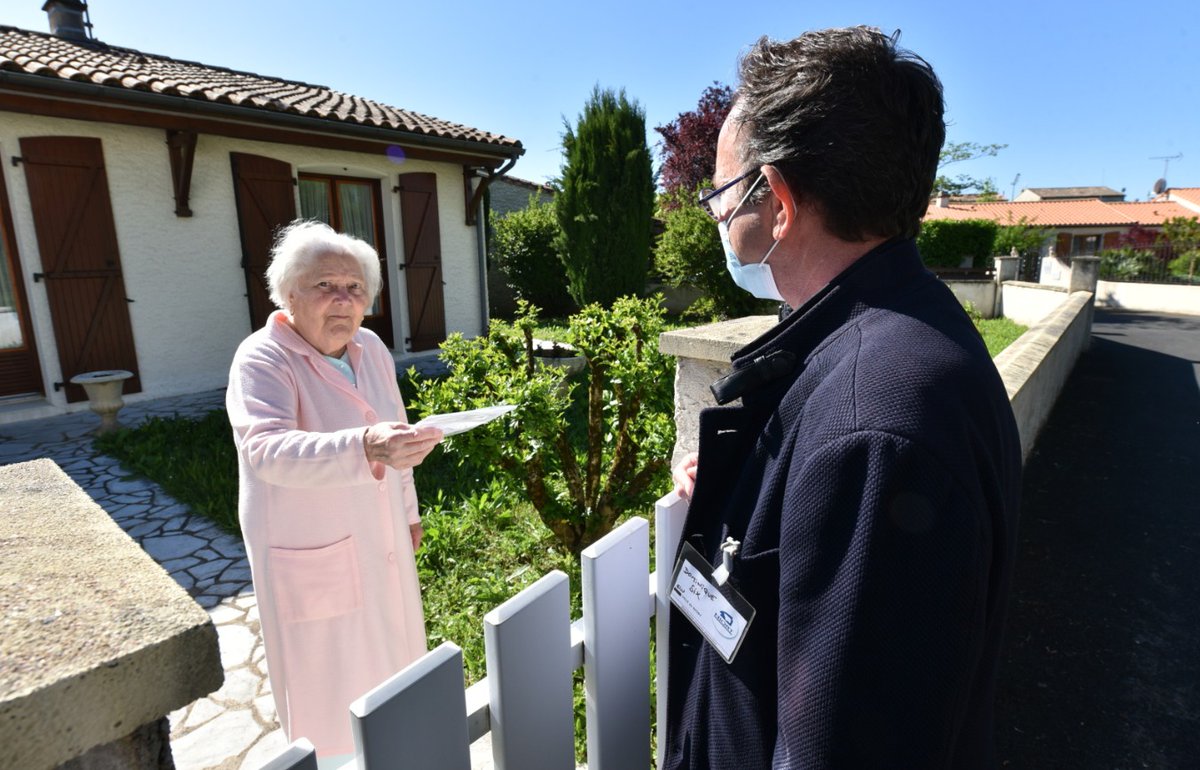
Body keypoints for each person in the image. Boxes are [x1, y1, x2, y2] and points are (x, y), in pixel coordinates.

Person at [665, 28, 1022, 768]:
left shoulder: (874, 427)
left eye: (723, 196)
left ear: (781, 204)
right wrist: (750, 497)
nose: (718, 220)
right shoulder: (892, 337)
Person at [226, 220, 443, 765]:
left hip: (381, 535)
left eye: (355, 288)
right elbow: (266, 451)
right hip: (311, 552)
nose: (343, 300)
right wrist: (365, 446)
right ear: (289, 294)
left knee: (393, 674)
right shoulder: (262, 358)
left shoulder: (369, 347)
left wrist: (409, 512)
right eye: (326, 286)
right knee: (329, 697)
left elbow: (398, 430)